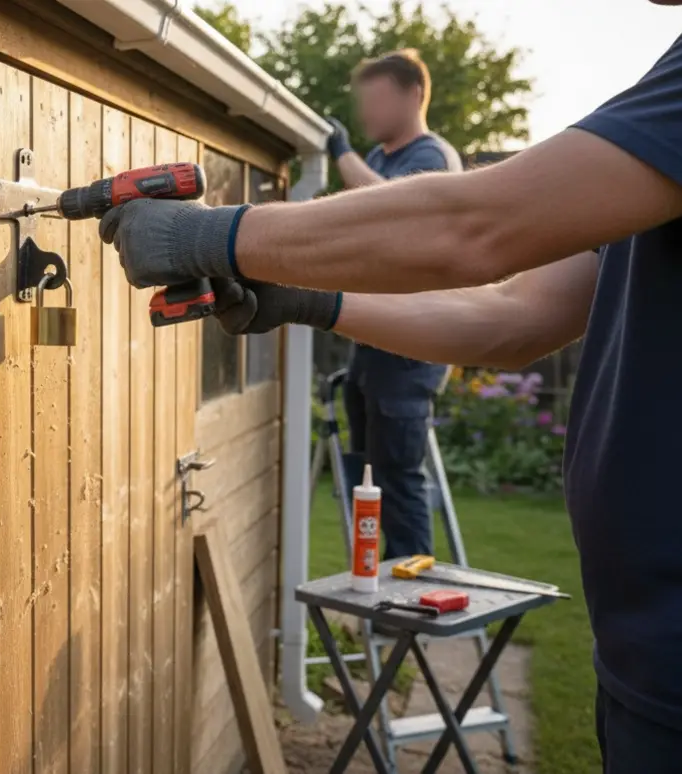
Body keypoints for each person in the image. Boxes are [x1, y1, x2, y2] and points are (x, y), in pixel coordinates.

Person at [97, 26, 682, 772]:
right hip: (641, 660)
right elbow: (508, 315)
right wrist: (308, 300)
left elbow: (471, 226)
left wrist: (212, 234)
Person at [326, 49, 463, 560]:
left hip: (411, 354)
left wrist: (341, 154)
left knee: (400, 481)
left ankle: (408, 609)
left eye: (376, 100)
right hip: (373, 346)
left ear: (414, 95)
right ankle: (377, 587)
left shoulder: (431, 158)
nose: (366, 115)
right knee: (368, 477)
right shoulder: (380, 159)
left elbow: (395, 214)